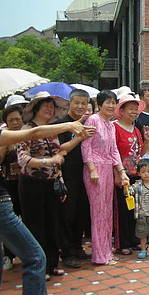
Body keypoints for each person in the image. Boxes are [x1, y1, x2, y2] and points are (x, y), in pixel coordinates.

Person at [0, 118, 93, 295]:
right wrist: (69, 125)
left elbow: (56, 145)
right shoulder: (12, 133)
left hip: (34, 191)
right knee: (35, 257)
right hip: (4, 204)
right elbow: (33, 134)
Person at [17, 93, 70, 279]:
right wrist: (47, 161)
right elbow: (23, 159)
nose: (49, 109)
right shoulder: (27, 129)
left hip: (51, 184)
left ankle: (53, 264)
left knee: (52, 223)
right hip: (32, 184)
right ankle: (40, 267)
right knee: (35, 225)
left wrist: (60, 179)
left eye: (51, 106)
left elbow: (58, 155)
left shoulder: (51, 130)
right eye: (45, 106)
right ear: (36, 109)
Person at [81, 90, 129, 266]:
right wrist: (92, 169)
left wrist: (121, 171)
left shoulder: (110, 124)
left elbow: (114, 150)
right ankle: (99, 255)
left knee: (107, 212)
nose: (110, 105)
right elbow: (86, 147)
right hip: (95, 171)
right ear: (99, 104)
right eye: (107, 102)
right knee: (98, 213)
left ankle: (107, 252)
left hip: (108, 169)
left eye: (113, 102)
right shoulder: (93, 120)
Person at [56, 89, 92, 269]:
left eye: (83, 104)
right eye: (76, 103)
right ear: (69, 103)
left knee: (81, 213)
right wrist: (79, 136)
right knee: (67, 215)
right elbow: (60, 149)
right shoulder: (61, 125)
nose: (80, 106)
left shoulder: (87, 123)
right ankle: (67, 252)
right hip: (67, 176)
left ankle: (78, 247)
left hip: (84, 175)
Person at [113, 94, 146, 255]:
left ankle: (134, 239)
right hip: (121, 175)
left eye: (135, 110)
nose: (134, 112)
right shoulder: (115, 128)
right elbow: (112, 153)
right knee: (121, 210)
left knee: (134, 209)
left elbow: (141, 152)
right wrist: (117, 174)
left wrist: (147, 141)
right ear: (122, 110)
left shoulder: (136, 130)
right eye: (130, 109)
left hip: (136, 174)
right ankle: (122, 242)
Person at [0, 105, 25, 272]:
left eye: (17, 118)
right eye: (11, 120)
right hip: (9, 184)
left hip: (26, 183)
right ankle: (8, 255)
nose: (15, 122)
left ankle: (25, 253)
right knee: (11, 220)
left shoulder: (26, 135)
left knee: (28, 219)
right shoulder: (4, 139)